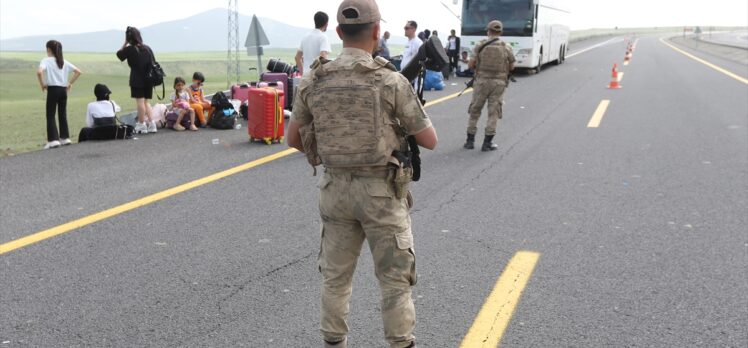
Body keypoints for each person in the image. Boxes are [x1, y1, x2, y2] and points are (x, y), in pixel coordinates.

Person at [287, 0, 438, 346]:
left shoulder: (314, 79)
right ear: (375, 32)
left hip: (334, 190)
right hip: (381, 194)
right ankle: (400, 342)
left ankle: (333, 342)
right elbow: (429, 140)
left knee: (335, 278)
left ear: (339, 33)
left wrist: (328, 151)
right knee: (395, 281)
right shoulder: (389, 80)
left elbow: (293, 138)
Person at [464, 20, 515, 152]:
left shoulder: (480, 45)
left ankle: (470, 141)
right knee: (493, 113)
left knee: (475, 111)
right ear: (500, 32)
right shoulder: (506, 47)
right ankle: (487, 143)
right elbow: (512, 66)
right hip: (499, 84)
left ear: (488, 31)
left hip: (481, 82)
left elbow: (470, 65)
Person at [37, 40, 82, 149]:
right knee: (62, 114)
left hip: (53, 89)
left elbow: (39, 72)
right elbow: (78, 72)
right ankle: (65, 138)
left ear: (48, 49)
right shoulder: (63, 61)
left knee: (50, 114)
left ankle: (53, 140)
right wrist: (69, 83)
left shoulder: (46, 60)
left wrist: (42, 84)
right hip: (63, 90)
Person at [116, 26, 157, 134]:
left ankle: (141, 124)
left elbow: (119, 55)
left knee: (140, 102)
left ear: (129, 38)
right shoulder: (147, 48)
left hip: (136, 79)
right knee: (147, 102)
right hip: (149, 79)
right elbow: (153, 62)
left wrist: (125, 43)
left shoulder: (130, 49)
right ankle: (152, 124)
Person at [295, 11, 333, 76]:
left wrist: (302, 73)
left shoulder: (305, 37)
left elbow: (297, 57)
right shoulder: (323, 37)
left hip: (305, 77)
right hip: (316, 79)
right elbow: (322, 58)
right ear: (326, 24)